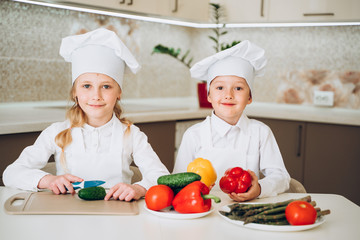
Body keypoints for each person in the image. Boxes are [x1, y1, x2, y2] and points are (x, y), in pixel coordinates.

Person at [3, 28, 169, 201]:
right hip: (67, 218)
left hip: (117, 217)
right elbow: (11, 173)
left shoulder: (132, 135)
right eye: (86, 86)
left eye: (106, 86)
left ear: (119, 92)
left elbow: (161, 177)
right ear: (75, 91)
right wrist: (48, 180)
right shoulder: (56, 132)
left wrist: (138, 188)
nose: (96, 95)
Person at [173, 40, 290, 202]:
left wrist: (260, 189)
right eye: (220, 88)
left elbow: (281, 177)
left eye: (238, 88)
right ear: (209, 96)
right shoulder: (194, 135)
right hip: (203, 210)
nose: (229, 95)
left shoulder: (261, 132)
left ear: (249, 97)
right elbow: (178, 181)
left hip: (246, 211)